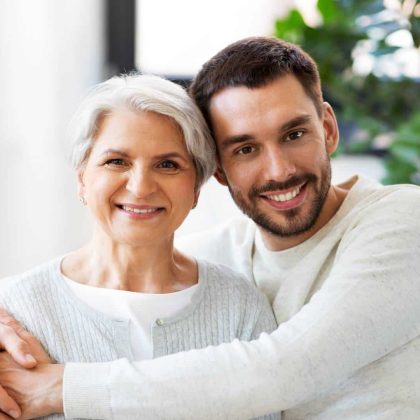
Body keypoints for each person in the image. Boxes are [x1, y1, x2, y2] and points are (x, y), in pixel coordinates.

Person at [0, 35, 419, 419]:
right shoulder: (225, 256)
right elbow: (141, 263)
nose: (279, 170)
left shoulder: (399, 220)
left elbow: (285, 368)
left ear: (327, 128)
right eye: (246, 148)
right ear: (218, 170)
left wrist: (59, 388)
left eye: (294, 134)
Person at [0, 72, 278, 420]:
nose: (141, 186)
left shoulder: (241, 310)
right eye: (116, 161)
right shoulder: (15, 311)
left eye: (167, 164)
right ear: (82, 177)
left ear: (196, 187)